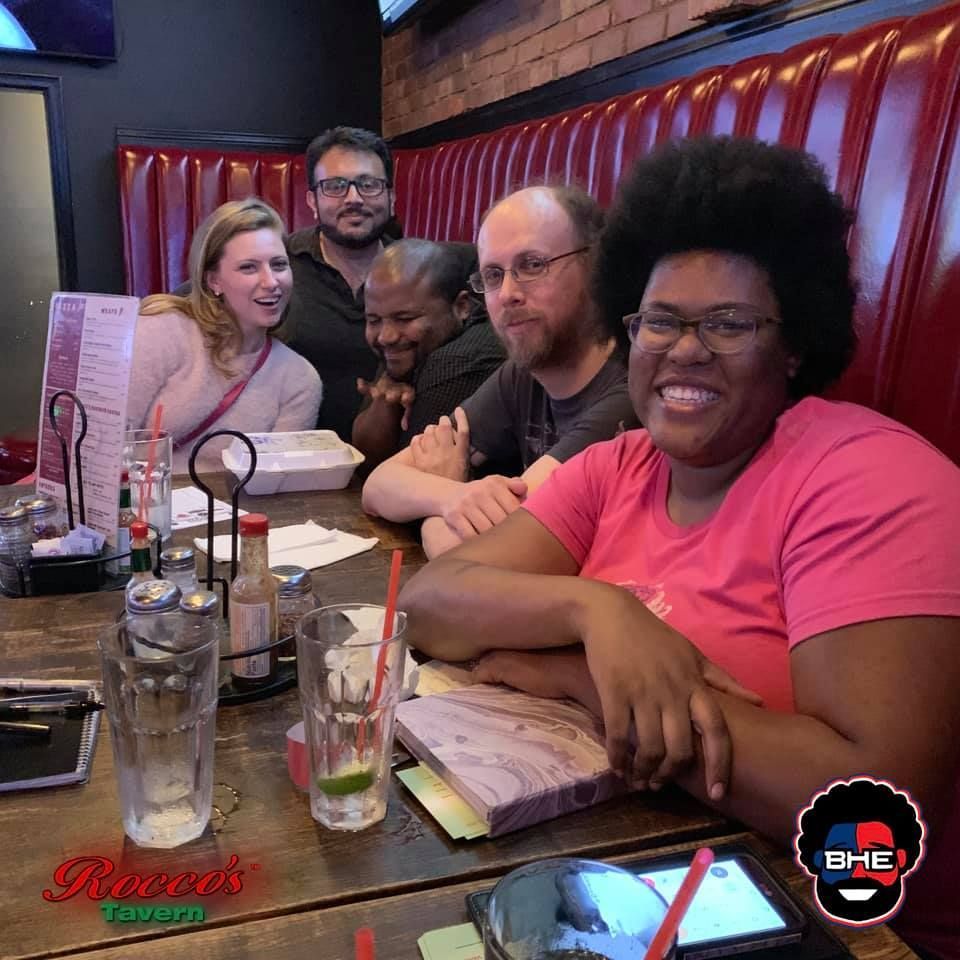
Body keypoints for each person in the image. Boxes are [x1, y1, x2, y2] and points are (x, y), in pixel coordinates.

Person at [396, 137, 960, 959]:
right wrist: (597, 610)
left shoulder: (866, 479)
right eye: (659, 320)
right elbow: (427, 605)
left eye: (729, 323)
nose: (684, 349)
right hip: (629, 881)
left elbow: (867, 815)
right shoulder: (615, 468)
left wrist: (582, 680)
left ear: (794, 342)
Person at [361, 185, 637, 558]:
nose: (507, 293)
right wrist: (454, 497)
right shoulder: (521, 376)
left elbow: (470, 554)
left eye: (533, 265)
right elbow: (377, 487)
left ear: (595, 269)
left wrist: (440, 493)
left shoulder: (630, 391)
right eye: (492, 275)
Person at [129, 197, 322, 473]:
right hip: (142, 509)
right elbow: (102, 445)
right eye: (249, 267)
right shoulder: (161, 330)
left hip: (238, 513)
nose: (271, 282)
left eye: (279, 265)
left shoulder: (300, 379)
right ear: (213, 280)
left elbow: (277, 487)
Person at [284, 126, 397, 441]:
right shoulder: (277, 266)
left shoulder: (419, 273)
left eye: (369, 184)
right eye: (335, 186)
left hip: (396, 468)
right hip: (293, 467)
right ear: (312, 200)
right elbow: (199, 300)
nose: (354, 198)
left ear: (391, 196)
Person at [352, 239, 505, 469]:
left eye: (405, 319)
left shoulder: (459, 360)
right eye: (373, 320)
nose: (385, 336)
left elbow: (397, 477)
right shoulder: (406, 345)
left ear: (462, 307)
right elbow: (361, 456)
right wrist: (387, 402)